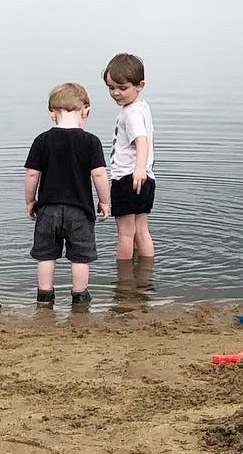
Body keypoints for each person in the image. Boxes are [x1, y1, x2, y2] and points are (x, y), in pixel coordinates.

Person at [23, 81, 110, 306]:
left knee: (45, 256)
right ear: (86, 111)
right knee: (80, 258)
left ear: (52, 113)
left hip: (48, 210)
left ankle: (44, 295)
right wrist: (105, 201)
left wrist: (30, 201)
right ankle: (79, 296)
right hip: (80, 211)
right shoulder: (91, 142)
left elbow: (32, 175)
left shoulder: (42, 140)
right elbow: (99, 175)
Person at [103, 52, 155, 261]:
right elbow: (152, 138)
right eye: (111, 88)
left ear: (140, 85)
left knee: (125, 234)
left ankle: (123, 283)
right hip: (146, 179)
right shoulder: (143, 107)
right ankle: (146, 273)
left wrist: (138, 168)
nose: (116, 93)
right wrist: (145, 168)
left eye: (122, 88)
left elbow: (141, 140)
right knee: (141, 231)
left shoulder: (131, 113)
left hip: (127, 178)